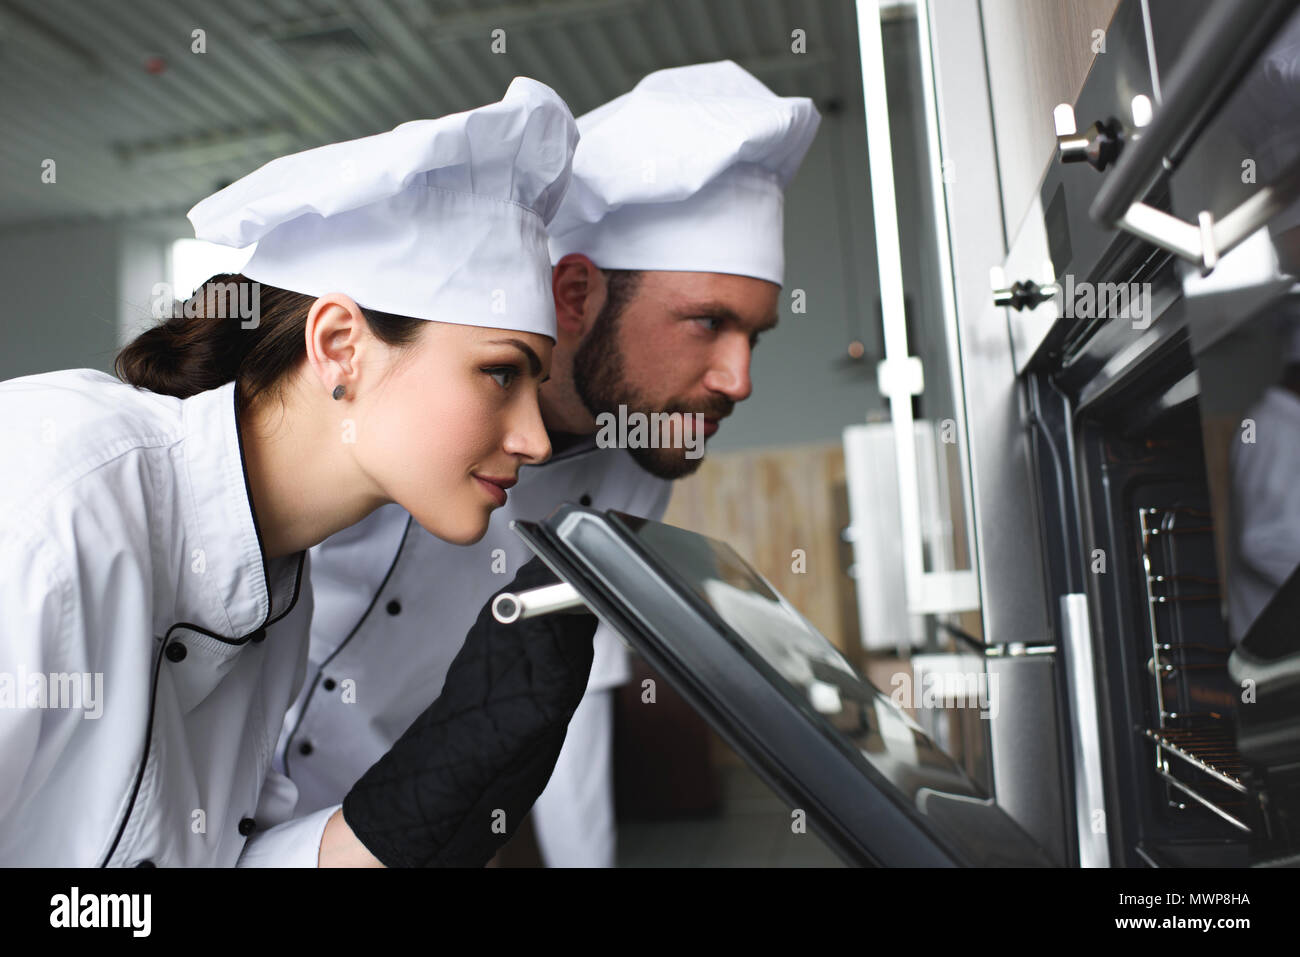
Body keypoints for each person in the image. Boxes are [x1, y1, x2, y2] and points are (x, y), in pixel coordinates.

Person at [0, 78, 591, 866]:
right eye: (499, 374)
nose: (534, 439)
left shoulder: (281, 588)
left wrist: (427, 791)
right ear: (341, 345)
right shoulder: (58, 491)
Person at [278, 60, 821, 866]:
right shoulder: (393, 397)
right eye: (707, 322)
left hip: (371, 834)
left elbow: (568, 692)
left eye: (754, 334)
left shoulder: (637, 458)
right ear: (574, 294)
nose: (739, 379)